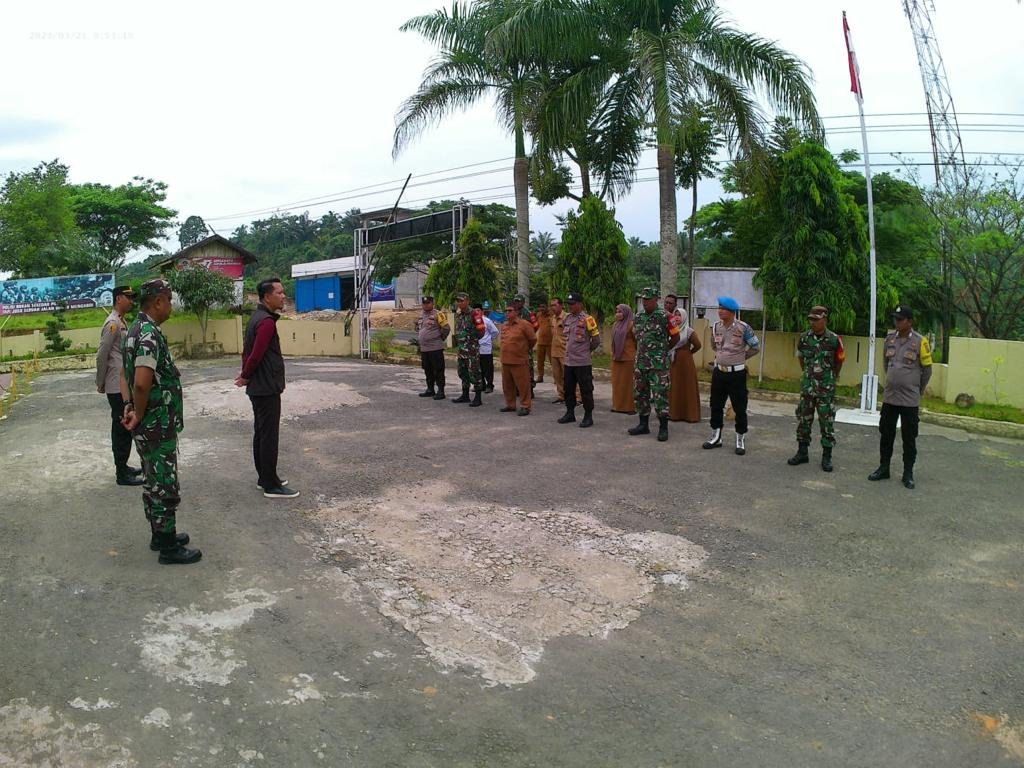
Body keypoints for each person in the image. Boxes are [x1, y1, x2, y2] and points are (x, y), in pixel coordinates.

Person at [121, 278, 201, 565]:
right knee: (164, 482)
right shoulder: (149, 334)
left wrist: (130, 406)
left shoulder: (134, 329)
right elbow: (141, 382)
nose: (171, 305)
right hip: (155, 423)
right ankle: (168, 546)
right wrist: (139, 411)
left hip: (149, 421)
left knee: (152, 479)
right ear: (157, 302)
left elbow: (125, 375)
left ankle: (159, 534)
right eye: (169, 299)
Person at [234, 277, 300, 499]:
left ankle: (266, 477)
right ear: (267, 297)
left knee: (262, 432)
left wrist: (245, 374)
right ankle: (271, 485)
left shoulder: (258, 317)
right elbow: (256, 354)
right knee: (269, 435)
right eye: (279, 293)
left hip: (260, 386)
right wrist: (245, 375)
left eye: (283, 292)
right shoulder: (266, 322)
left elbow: (248, 352)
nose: (283, 296)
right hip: (265, 387)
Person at [869, 305, 933, 489]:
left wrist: (917, 390)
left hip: (909, 400)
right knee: (886, 434)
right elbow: (885, 363)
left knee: (909, 437)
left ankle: (908, 473)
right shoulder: (889, 340)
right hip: (890, 398)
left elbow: (927, 370)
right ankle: (884, 468)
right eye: (895, 319)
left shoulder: (921, 341)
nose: (896, 322)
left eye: (900, 319)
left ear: (909, 321)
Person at [96, 285, 143, 486]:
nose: (131, 301)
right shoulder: (113, 324)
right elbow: (102, 355)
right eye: (128, 297)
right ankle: (121, 474)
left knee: (124, 427)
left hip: (122, 383)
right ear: (118, 299)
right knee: (122, 427)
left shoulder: (121, 322)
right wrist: (100, 382)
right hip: (115, 384)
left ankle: (123, 467)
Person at [788, 305, 845, 472]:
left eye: (816, 319)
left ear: (825, 320)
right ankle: (802, 452)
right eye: (810, 319)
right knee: (803, 419)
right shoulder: (804, 338)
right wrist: (808, 374)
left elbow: (840, 360)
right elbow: (801, 359)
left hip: (826, 389)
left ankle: (826, 457)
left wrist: (832, 376)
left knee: (826, 422)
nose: (812, 323)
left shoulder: (834, 339)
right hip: (807, 387)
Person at [703, 296, 760, 455]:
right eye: (719, 308)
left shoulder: (743, 328)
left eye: (724, 308)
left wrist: (741, 357)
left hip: (737, 374)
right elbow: (714, 346)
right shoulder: (715, 327)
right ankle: (716, 436)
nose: (720, 311)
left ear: (732, 311)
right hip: (719, 372)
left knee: (739, 407)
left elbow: (755, 346)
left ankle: (740, 438)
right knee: (715, 404)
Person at [630, 287, 679, 441]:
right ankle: (643, 425)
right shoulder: (638, 317)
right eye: (643, 299)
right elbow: (634, 337)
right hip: (641, 365)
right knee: (640, 394)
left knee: (660, 396)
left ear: (655, 299)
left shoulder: (666, 316)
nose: (644, 302)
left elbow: (676, 337)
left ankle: (663, 428)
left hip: (659, 366)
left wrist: (663, 351)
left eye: (648, 299)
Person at [557, 292, 602, 427]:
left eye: (572, 304)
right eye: (568, 304)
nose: (570, 307)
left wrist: (585, 351)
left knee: (586, 389)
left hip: (582, 362)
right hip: (569, 361)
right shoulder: (567, 319)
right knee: (568, 389)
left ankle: (588, 416)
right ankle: (570, 413)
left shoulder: (588, 319)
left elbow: (596, 340)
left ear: (579, 304)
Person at [664, 294, 702, 423]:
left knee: (687, 386)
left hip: (685, 362)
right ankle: (674, 414)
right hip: (673, 361)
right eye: (675, 315)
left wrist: (688, 353)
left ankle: (689, 415)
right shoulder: (671, 330)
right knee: (674, 386)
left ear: (684, 317)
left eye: (679, 315)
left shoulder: (689, 331)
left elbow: (698, 345)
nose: (677, 318)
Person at [498, 303, 536, 415]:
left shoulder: (524, 324)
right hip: (505, 360)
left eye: (510, 311)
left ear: (516, 312)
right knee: (507, 385)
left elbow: (533, 339)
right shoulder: (504, 325)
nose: (507, 313)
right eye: (506, 311)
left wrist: (523, 349)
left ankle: (525, 406)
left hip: (519, 360)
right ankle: (510, 404)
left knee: (523, 385)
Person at [451, 292, 484, 407]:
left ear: (467, 301)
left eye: (462, 300)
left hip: (471, 351)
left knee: (474, 373)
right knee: (463, 372)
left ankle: (478, 397)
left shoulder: (474, 314)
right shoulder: (459, 315)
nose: (459, 303)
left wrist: (472, 341)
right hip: (462, 350)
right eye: (458, 301)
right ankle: (465, 395)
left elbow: (481, 331)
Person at [415, 295, 450, 400]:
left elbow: (446, 328)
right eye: (424, 303)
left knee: (438, 370)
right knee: (427, 370)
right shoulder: (421, 315)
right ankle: (430, 389)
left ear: (432, 303)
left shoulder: (438, 314)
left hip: (435, 348)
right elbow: (418, 327)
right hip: (425, 349)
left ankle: (441, 391)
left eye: (428, 303)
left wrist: (440, 338)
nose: (426, 305)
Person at [610, 303, 636, 414]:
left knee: (628, 384)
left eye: (620, 312)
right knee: (617, 383)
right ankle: (617, 406)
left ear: (626, 312)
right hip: (617, 358)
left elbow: (637, 340)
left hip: (628, 358)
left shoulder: (631, 325)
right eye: (617, 311)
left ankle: (629, 407)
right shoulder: (615, 324)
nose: (618, 314)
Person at [512, 293, 539, 395]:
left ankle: (530, 389)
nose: (517, 303)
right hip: (515, 345)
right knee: (517, 367)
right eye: (515, 301)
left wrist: (528, 336)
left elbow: (536, 326)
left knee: (528, 367)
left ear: (523, 302)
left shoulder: (528, 313)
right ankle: (519, 388)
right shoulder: (513, 312)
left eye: (519, 301)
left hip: (525, 345)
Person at [475, 302, 499, 393]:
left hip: (486, 349)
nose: (477, 312)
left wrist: (489, 339)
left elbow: (495, 332)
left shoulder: (487, 321)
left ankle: (490, 385)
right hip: (476, 348)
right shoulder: (473, 320)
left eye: (478, 310)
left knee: (488, 369)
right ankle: (482, 385)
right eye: (475, 311)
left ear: (482, 311)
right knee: (478, 368)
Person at [548, 297, 567, 403]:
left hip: (565, 351)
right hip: (554, 351)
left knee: (569, 375)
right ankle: (561, 395)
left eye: (554, 305)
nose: (552, 307)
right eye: (551, 305)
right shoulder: (553, 318)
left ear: (561, 305)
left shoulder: (567, 317)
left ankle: (577, 397)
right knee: (557, 376)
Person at [534, 302, 552, 383]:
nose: (542, 309)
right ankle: (540, 376)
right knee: (540, 361)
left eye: (543, 307)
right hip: (540, 342)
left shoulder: (552, 315)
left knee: (553, 361)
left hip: (550, 343)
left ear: (547, 307)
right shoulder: (538, 315)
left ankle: (556, 377)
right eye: (540, 307)